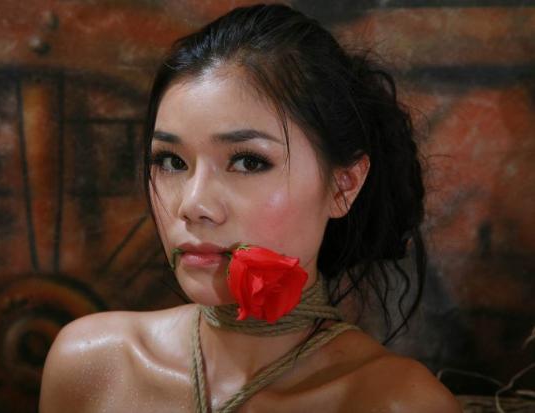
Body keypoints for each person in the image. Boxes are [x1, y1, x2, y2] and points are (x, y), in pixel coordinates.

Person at [39, 4, 462, 412]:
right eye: (171, 161)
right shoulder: (92, 366)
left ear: (343, 185)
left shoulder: (394, 403)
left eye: (248, 162)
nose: (193, 205)